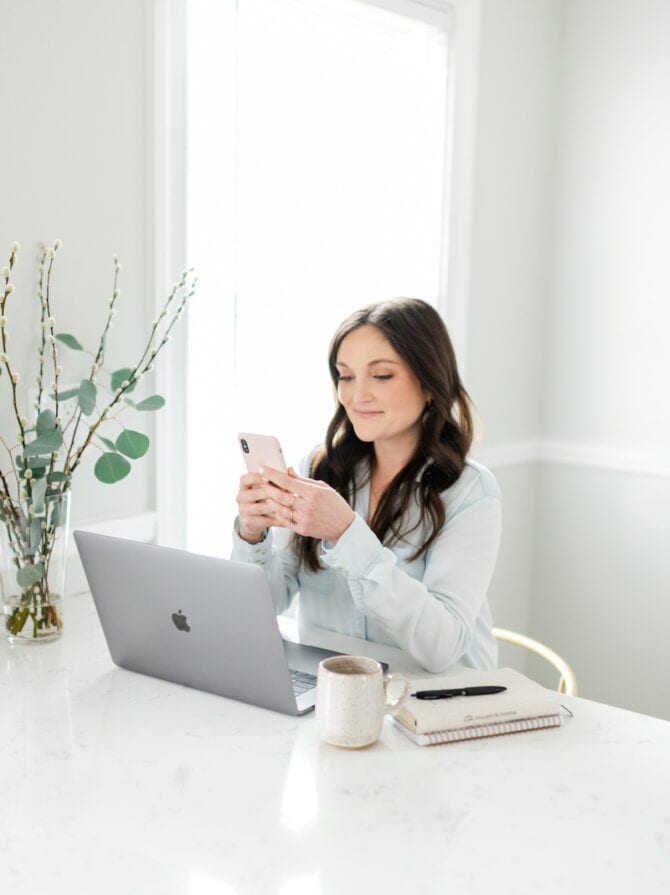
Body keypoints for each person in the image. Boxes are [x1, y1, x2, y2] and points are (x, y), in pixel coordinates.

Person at [232, 299, 501, 673]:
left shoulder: (470, 492)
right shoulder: (321, 468)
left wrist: (346, 533)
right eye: (345, 376)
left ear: (429, 384)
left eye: (382, 376)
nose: (357, 397)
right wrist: (252, 534)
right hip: (333, 695)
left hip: (434, 703)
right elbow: (262, 607)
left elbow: (442, 646)